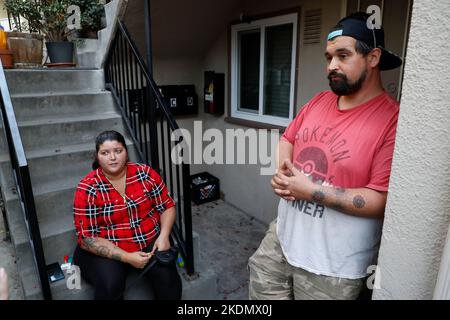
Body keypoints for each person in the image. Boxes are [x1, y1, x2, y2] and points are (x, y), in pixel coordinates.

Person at [248, 12, 403, 300]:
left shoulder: (393, 121)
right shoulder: (319, 100)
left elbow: (380, 200)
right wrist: (284, 170)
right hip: (281, 242)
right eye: (329, 57)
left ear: (373, 58)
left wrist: (309, 191)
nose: (332, 66)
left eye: (343, 56)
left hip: (333, 268)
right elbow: (288, 138)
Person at [73, 130, 182, 300]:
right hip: (110, 245)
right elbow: (87, 238)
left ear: (126, 152)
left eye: (118, 151)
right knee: (110, 286)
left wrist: (164, 235)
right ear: (97, 156)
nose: (113, 157)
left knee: (169, 281)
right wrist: (127, 257)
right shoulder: (88, 188)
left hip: (147, 239)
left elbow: (167, 205)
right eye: (105, 153)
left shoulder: (145, 173)